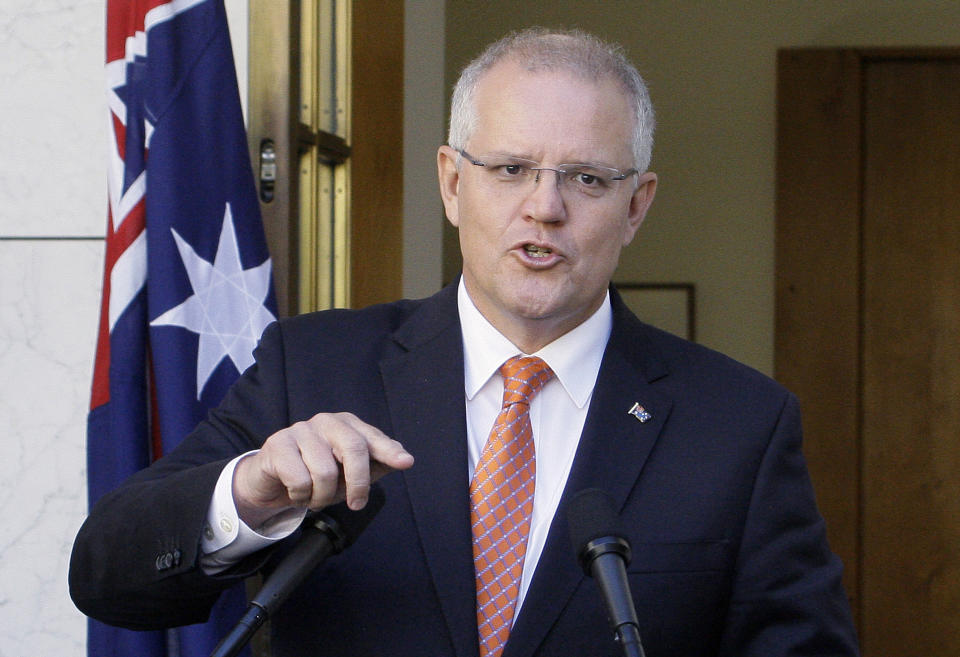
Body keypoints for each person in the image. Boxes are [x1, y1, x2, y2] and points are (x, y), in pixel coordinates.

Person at [70, 28, 860, 657]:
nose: (544, 208)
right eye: (511, 168)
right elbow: (106, 572)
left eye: (586, 178)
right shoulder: (311, 369)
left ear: (637, 205)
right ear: (452, 182)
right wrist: (249, 494)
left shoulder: (741, 426)